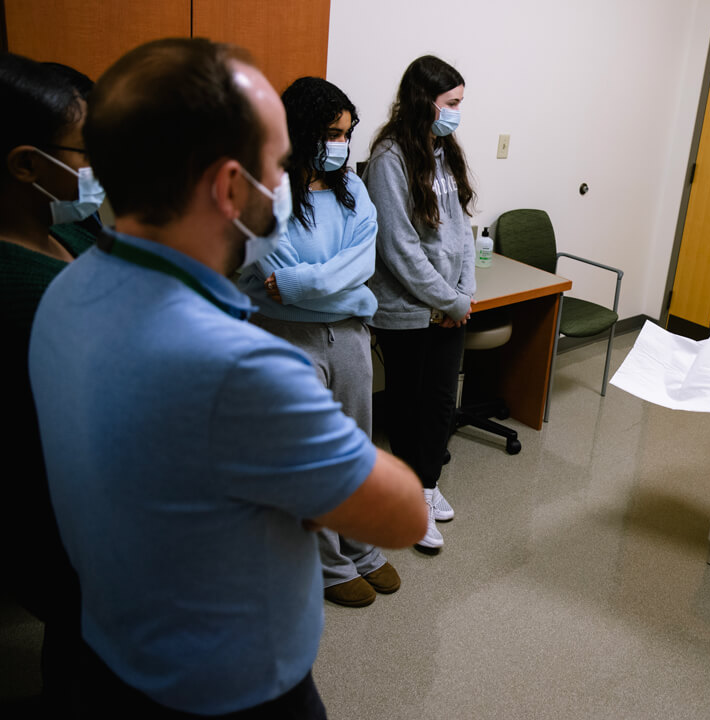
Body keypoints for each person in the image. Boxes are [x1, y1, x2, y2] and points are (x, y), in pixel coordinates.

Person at [28, 38, 427, 717]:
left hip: (114, 649)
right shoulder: (237, 366)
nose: (286, 181)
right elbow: (403, 513)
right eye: (276, 165)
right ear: (230, 187)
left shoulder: (65, 286)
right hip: (231, 691)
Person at [237, 76, 397, 609]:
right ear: (300, 132)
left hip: (349, 336)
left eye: (346, 135)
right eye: (331, 133)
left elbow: (361, 265)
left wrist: (305, 286)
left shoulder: (354, 191)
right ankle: (327, 564)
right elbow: (270, 274)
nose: (341, 145)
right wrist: (332, 287)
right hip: (285, 338)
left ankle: (362, 547)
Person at [0, 51, 100, 711]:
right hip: (61, 517)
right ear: (28, 164)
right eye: (89, 151)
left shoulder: (72, 228)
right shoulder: (19, 292)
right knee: (89, 648)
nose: (102, 168)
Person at [364, 54, 475, 552]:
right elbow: (399, 248)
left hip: (448, 304)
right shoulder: (390, 157)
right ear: (423, 101)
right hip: (408, 308)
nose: (457, 113)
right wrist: (445, 299)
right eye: (451, 103)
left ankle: (426, 487)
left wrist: (463, 294)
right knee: (407, 410)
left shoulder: (444, 148)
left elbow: (463, 230)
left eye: (460, 104)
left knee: (439, 402)